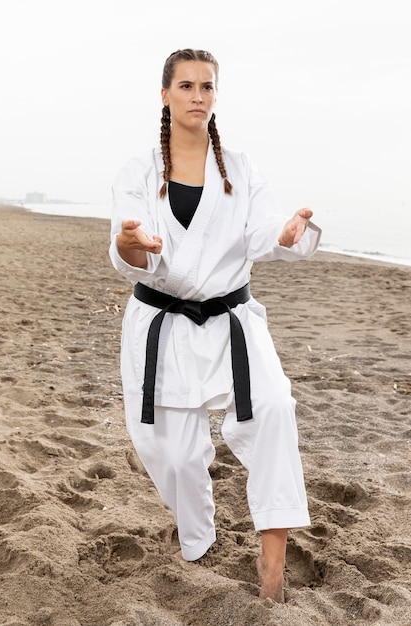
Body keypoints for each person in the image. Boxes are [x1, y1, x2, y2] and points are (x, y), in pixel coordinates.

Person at [109, 48, 321, 602]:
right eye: (186, 86)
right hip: (164, 324)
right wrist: (132, 246)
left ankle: (272, 564)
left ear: (215, 97)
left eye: (206, 87)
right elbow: (126, 240)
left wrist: (285, 234)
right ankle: (197, 541)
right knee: (175, 456)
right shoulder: (139, 171)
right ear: (165, 95)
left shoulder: (241, 168)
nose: (197, 96)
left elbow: (262, 230)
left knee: (274, 408)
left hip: (232, 321)